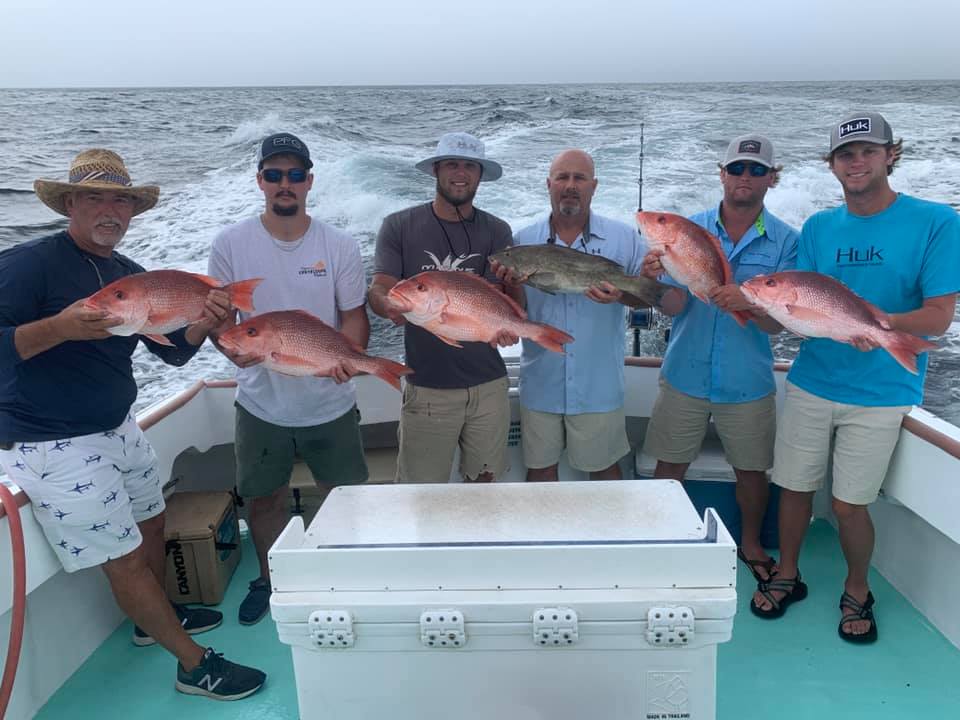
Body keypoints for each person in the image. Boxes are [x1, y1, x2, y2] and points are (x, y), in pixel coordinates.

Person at [0, 149, 266, 700]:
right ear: (69, 203)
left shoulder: (129, 275)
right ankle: (195, 668)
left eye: (120, 198)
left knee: (152, 523)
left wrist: (203, 324)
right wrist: (58, 328)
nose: (109, 209)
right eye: (94, 196)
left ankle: (154, 621)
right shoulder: (28, 265)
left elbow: (170, 358)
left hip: (118, 428)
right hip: (54, 444)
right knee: (123, 561)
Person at [750, 112, 960, 643]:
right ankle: (788, 572)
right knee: (792, 488)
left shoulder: (936, 222)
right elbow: (799, 313)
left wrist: (877, 326)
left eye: (868, 151)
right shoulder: (820, 228)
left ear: (892, 155)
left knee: (849, 504)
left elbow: (938, 317)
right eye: (846, 154)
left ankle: (858, 587)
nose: (857, 161)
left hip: (883, 392)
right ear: (833, 165)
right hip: (813, 381)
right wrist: (747, 304)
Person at [208, 132, 370, 626]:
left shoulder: (338, 245)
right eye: (274, 174)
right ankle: (270, 579)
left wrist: (351, 358)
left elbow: (355, 317)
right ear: (260, 181)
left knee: (345, 498)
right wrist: (228, 347)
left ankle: (339, 574)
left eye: (295, 175)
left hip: (330, 401)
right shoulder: (230, 244)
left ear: (309, 182)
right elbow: (220, 318)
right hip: (261, 405)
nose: (285, 184)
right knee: (263, 498)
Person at [640, 135, 798, 582]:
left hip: (747, 378)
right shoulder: (683, 230)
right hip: (685, 373)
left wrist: (747, 303)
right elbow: (672, 307)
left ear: (771, 178)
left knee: (751, 470)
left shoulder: (788, 241)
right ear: (722, 174)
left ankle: (749, 542)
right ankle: (663, 536)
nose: (745, 177)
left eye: (756, 170)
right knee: (670, 464)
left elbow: (777, 326)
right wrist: (651, 281)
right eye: (737, 168)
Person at [368, 131, 518, 484]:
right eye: (452, 164)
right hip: (428, 388)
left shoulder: (498, 230)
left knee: (485, 489)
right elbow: (380, 288)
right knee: (420, 494)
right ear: (436, 170)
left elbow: (507, 304)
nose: (460, 173)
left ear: (480, 175)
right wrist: (386, 304)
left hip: (489, 387)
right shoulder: (399, 226)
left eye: (470, 166)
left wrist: (513, 306)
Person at [499, 149, 643, 482]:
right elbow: (517, 313)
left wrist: (623, 295)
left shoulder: (625, 239)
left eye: (579, 178)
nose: (570, 185)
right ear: (548, 185)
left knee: (605, 470)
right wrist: (511, 283)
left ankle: (610, 535)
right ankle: (544, 535)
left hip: (600, 385)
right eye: (562, 177)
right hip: (541, 382)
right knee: (540, 470)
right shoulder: (522, 242)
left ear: (594, 186)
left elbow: (652, 300)